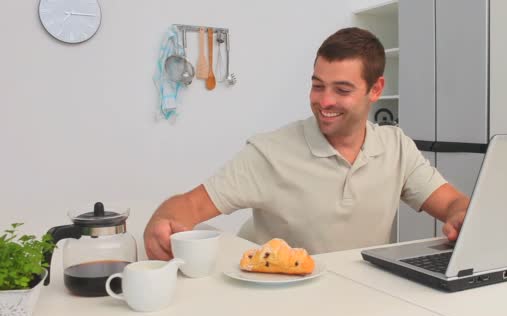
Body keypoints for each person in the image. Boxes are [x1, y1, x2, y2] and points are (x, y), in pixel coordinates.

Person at [144, 27, 470, 260]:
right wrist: (162, 222)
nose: (324, 101)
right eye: (317, 86)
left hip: (359, 297)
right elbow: (189, 205)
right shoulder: (270, 151)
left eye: (342, 90)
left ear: (376, 89)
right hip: (270, 299)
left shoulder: (396, 146)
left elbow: (452, 204)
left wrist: (461, 216)